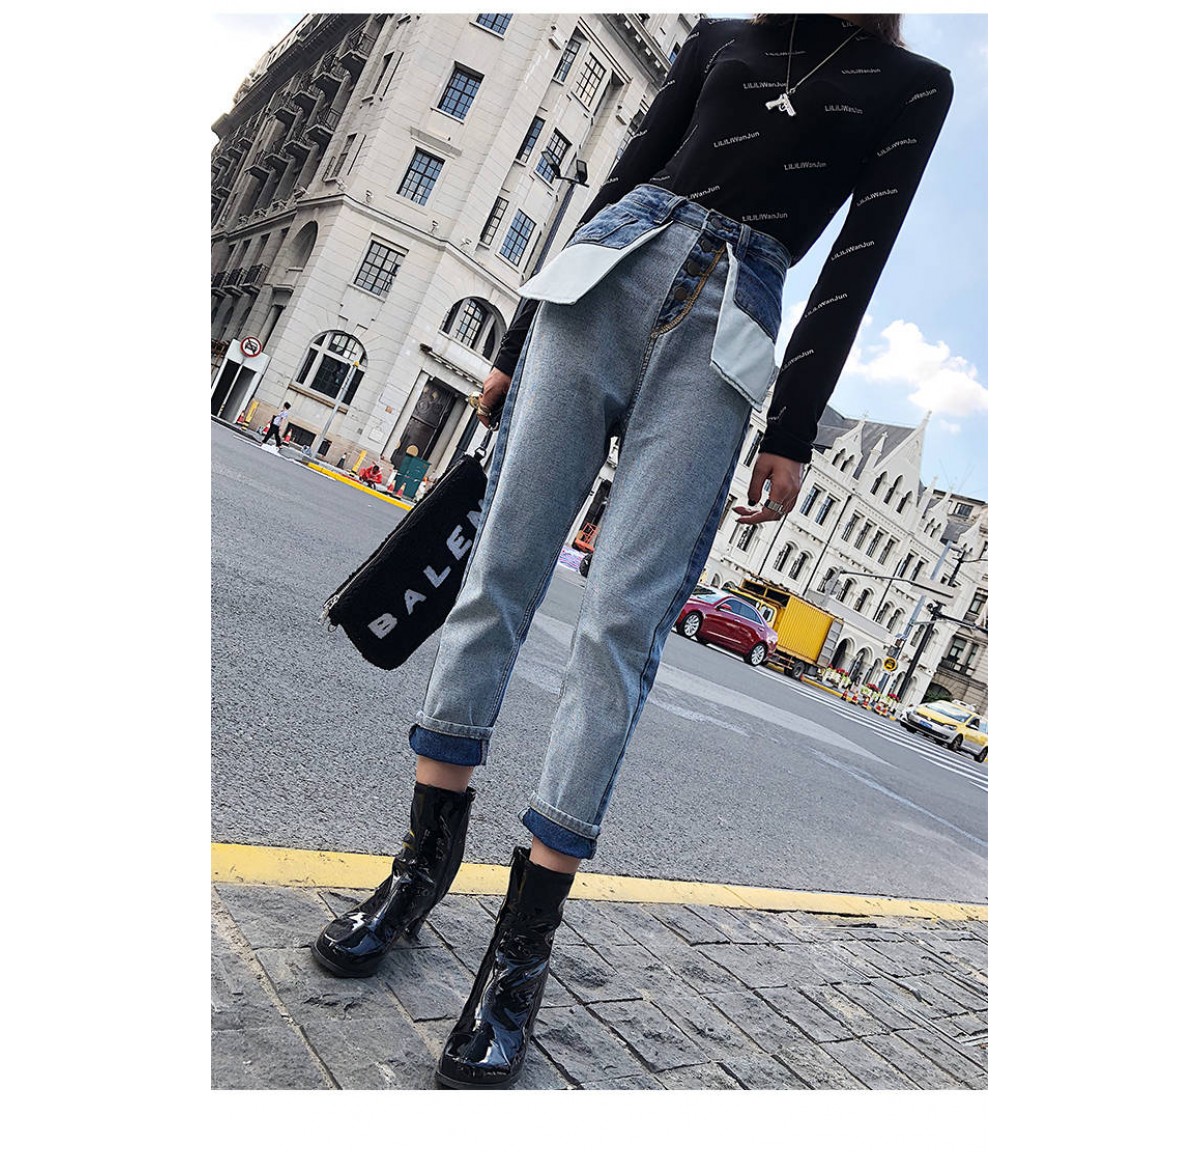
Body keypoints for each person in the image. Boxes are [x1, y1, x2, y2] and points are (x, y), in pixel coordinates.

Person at [312, 13, 953, 1088]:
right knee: (498, 575)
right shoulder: (722, 39)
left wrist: (794, 429)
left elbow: (859, 259)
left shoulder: (914, 83)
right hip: (601, 280)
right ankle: (418, 870)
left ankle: (520, 956)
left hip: (729, 328)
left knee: (621, 625)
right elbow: (623, 177)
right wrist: (514, 342)